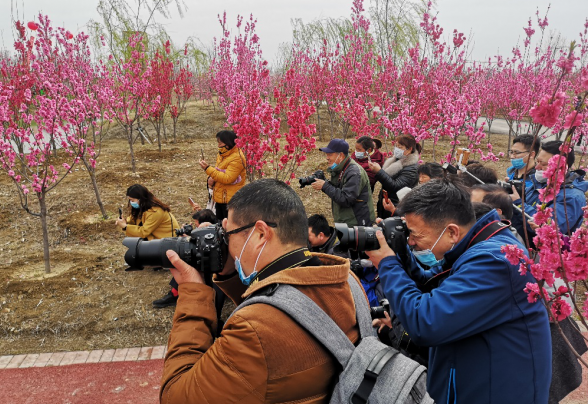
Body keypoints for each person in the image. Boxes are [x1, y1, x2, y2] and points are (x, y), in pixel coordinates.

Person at [160, 179, 362, 403]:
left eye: (228, 235)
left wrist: (193, 293)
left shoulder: (254, 330)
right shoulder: (346, 280)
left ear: (260, 234)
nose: (226, 244)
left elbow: (176, 397)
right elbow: (286, 303)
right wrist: (229, 273)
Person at [365, 180, 551, 404]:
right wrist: (401, 252)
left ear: (452, 231)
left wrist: (387, 264)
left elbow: (426, 323)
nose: (412, 241)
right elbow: (432, 282)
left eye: (415, 235)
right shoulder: (475, 245)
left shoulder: (493, 261)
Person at [153, 209, 220, 309]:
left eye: (196, 224)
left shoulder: (217, 236)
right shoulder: (213, 229)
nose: (195, 226)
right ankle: (174, 293)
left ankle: (174, 295)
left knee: (188, 263)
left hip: (213, 273)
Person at [524, 140, 588, 234]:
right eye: (537, 161)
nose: (537, 167)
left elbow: (549, 231)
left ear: (561, 167)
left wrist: (519, 204)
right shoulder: (543, 182)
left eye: (543, 164)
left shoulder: (572, 197)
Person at [311, 138, 375, 227]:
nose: (327, 158)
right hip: (346, 221)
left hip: (357, 224)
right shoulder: (341, 168)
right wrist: (324, 181)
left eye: (330, 154)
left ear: (340, 155)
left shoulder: (354, 172)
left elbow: (346, 199)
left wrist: (325, 186)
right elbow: (339, 189)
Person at [368, 134, 420, 219]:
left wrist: (379, 172)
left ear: (409, 149)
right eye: (396, 146)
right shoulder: (394, 161)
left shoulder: (411, 169)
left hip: (397, 208)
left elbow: (395, 186)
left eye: (400, 147)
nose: (397, 149)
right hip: (386, 205)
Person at [199, 130, 246, 221]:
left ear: (228, 143)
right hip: (221, 197)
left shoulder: (237, 158)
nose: (218, 146)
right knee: (219, 225)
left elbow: (228, 178)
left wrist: (207, 169)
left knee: (228, 226)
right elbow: (219, 172)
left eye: (220, 143)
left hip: (230, 201)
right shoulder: (222, 155)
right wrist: (211, 178)